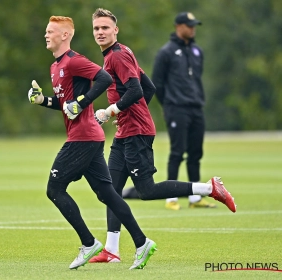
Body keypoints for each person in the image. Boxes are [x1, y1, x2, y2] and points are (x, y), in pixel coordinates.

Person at [90, 8, 236, 264]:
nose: (100, 32)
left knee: (145, 190)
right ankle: (112, 250)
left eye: (105, 28)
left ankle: (209, 188)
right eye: (96, 28)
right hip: (127, 130)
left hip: (136, 133)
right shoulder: (120, 53)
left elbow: (136, 90)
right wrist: (127, 114)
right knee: (110, 189)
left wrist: (113, 110)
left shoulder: (117, 56)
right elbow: (150, 87)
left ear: (116, 30)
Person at [27, 15, 158, 270]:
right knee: (107, 193)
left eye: (51, 31)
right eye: (46, 31)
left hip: (84, 137)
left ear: (65, 35)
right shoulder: (55, 68)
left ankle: (89, 243)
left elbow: (104, 79)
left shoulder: (75, 61)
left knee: (54, 189)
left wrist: (84, 102)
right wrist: (42, 100)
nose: (46, 35)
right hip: (90, 137)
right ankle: (142, 243)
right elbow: (67, 106)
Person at [122, 12, 215, 211]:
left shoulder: (197, 51)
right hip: (176, 109)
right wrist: (169, 106)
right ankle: (171, 197)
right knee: (177, 152)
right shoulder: (166, 52)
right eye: (189, 25)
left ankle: (194, 198)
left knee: (196, 153)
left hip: (196, 108)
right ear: (178, 27)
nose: (192, 29)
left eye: (194, 25)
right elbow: (157, 84)